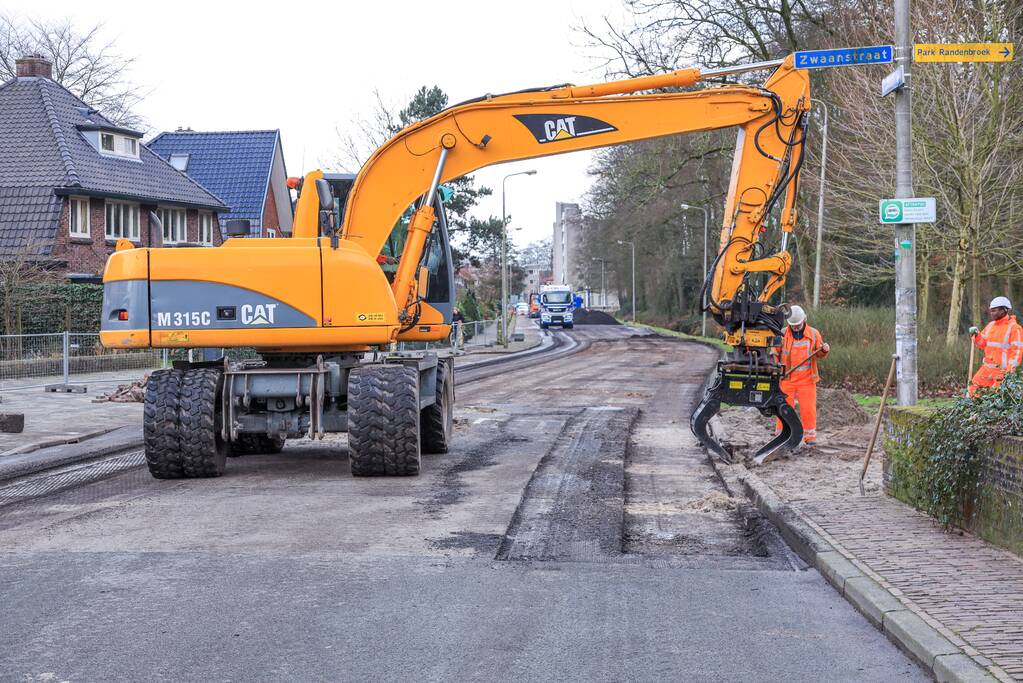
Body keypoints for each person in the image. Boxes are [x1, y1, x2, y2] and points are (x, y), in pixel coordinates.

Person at [774, 305, 830, 445]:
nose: (796, 328)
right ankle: (782, 435)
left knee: (808, 409)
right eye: (793, 326)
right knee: (784, 408)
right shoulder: (782, 334)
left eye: (798, 325)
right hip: (787, 379)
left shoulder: (813, 334)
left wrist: (824, 350)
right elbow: (775, 352)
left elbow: (819, 353)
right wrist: (775, 368)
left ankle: (809, 437)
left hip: (807, 379)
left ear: (804, 320)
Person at [968, 296, 1022, 396]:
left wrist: (1009, 372)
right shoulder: (990, 325)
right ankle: (976, 410)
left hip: (1003, 372)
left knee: (998, 397)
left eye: (994, 310)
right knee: (973, 387)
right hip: (987, 368)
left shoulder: (1015, 328)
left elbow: (1017, 353)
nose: (991, 313)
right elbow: (982, 344)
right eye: (991, 310)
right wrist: (976, 335)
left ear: (1004, 310)